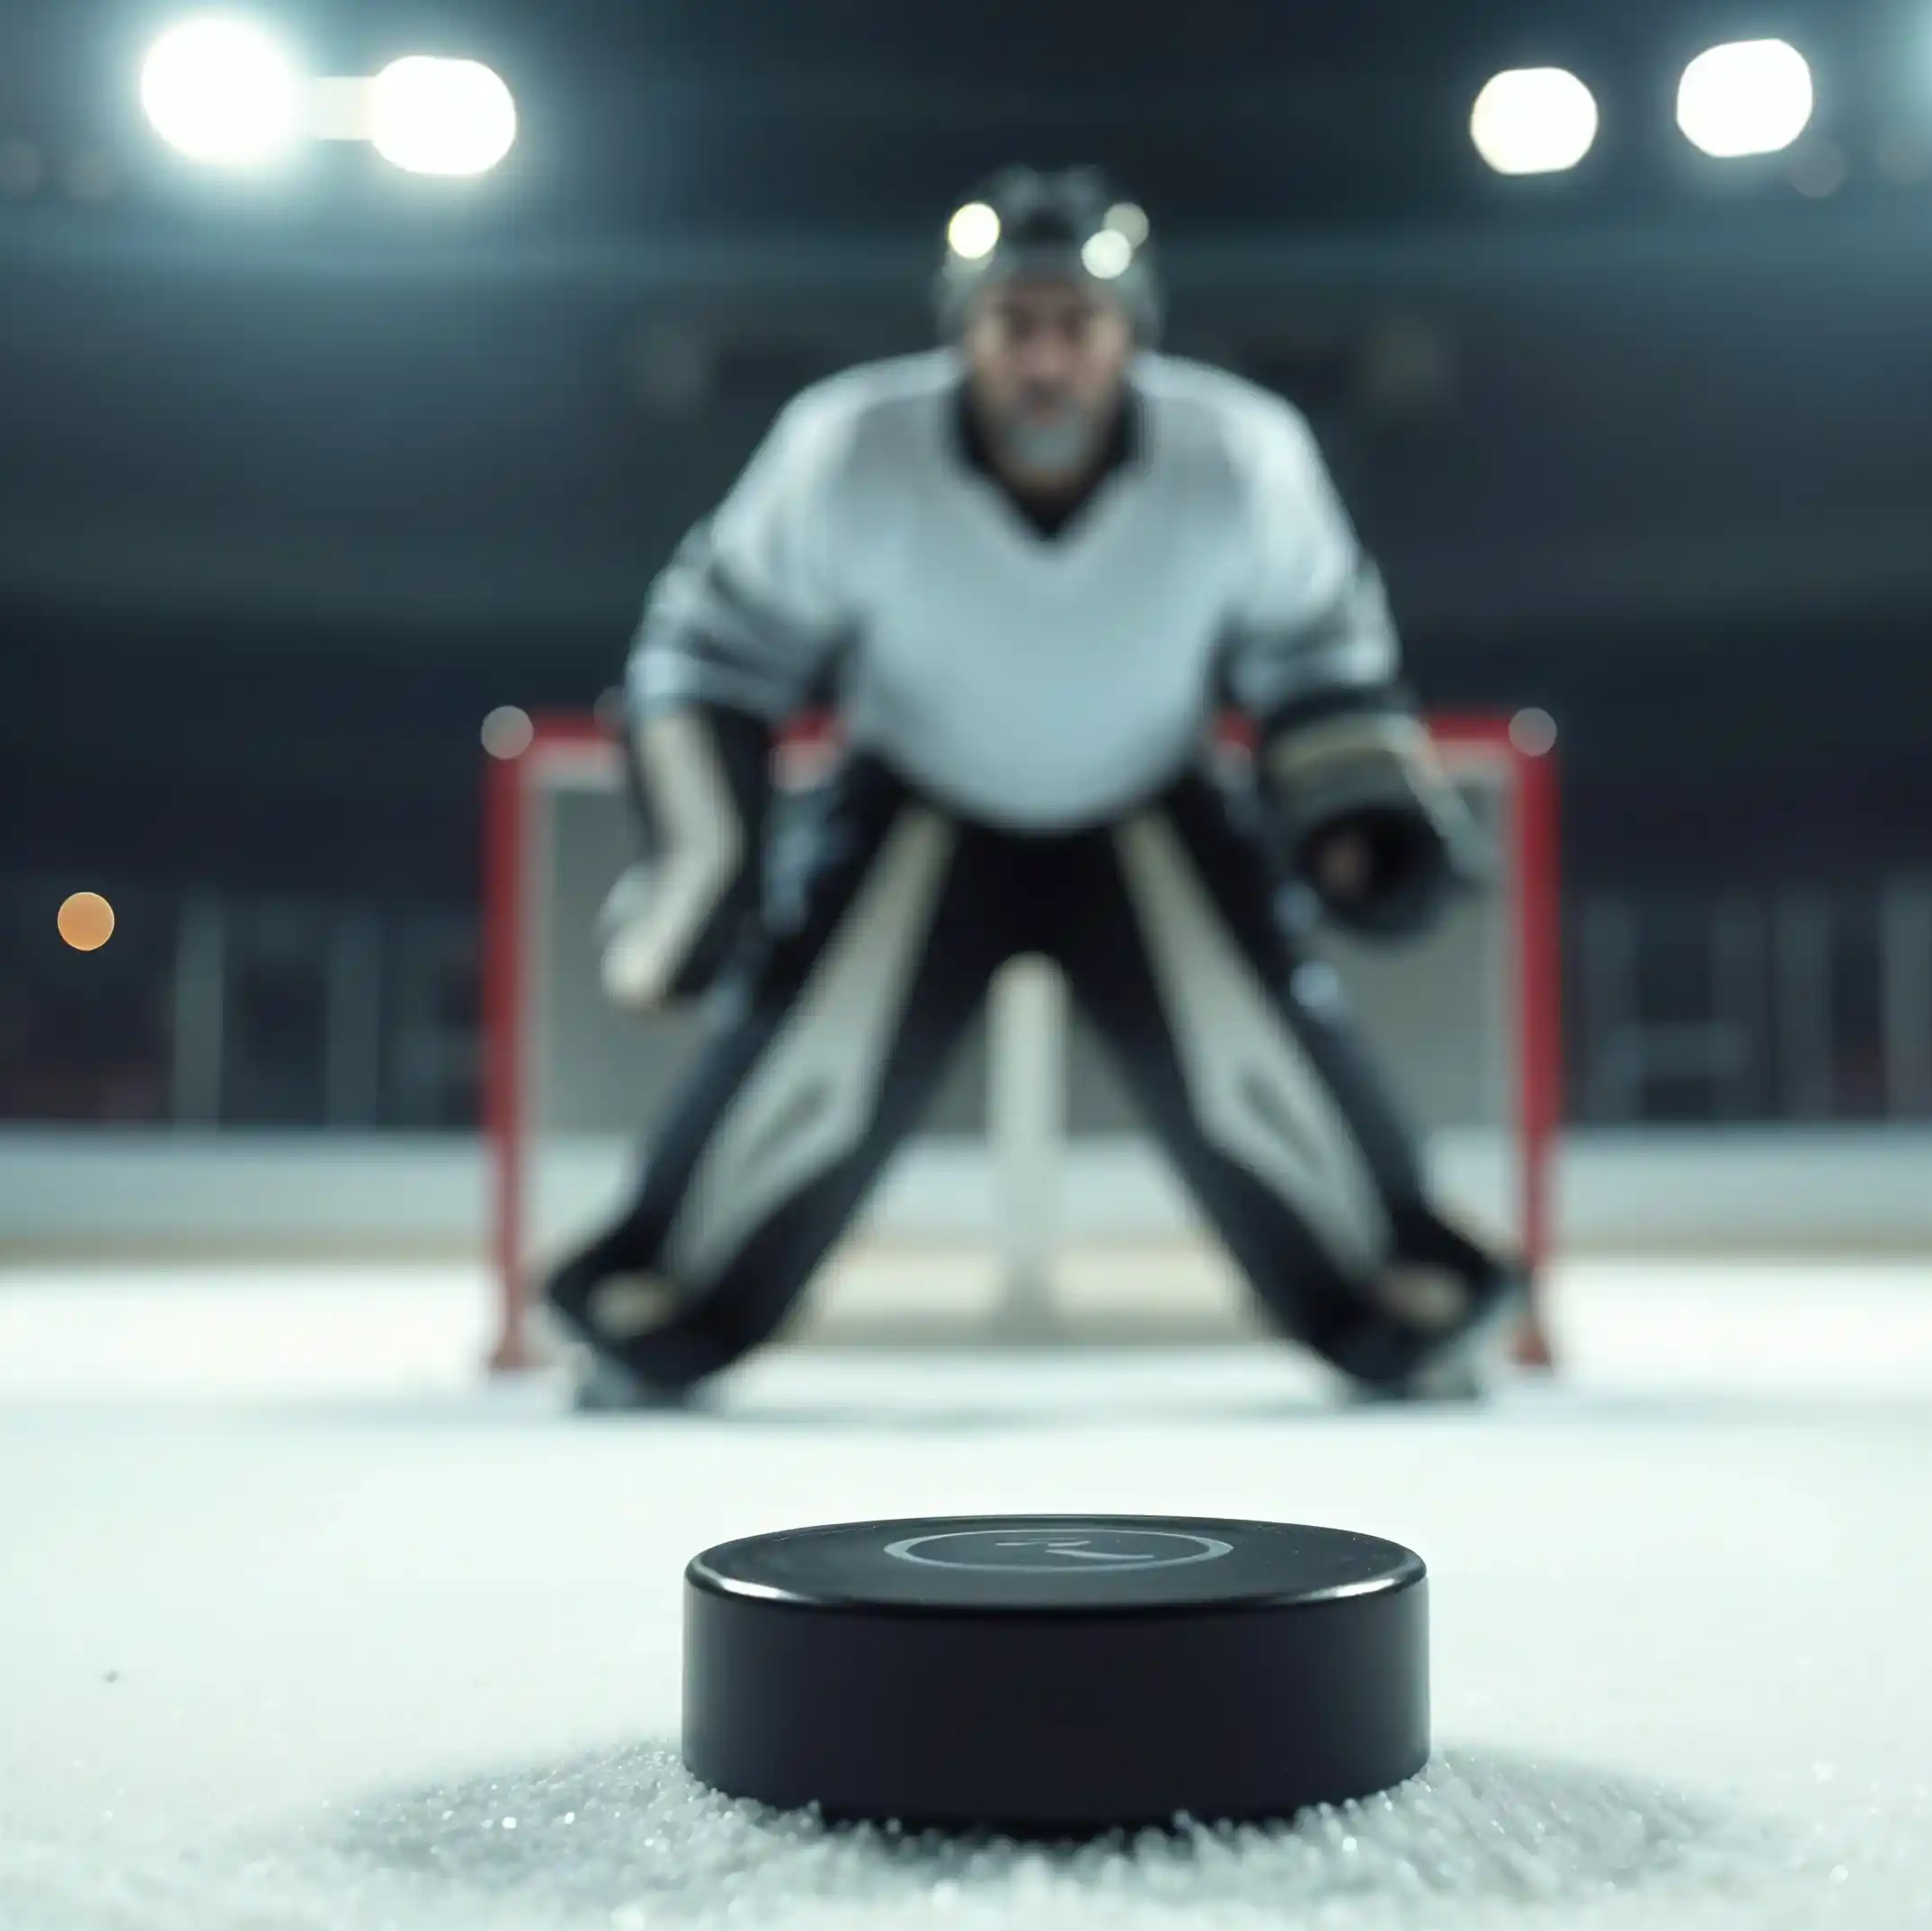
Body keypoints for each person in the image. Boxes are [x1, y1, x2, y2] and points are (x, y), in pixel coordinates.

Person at [544, 166, 1516, 1408]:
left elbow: (1320, 654)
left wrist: (1354, 819)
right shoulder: (850, 449)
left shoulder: (1240, 455)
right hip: (913, 802)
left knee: (1269, 1081)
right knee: (798, 1080)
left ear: (1131, 334)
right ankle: (659, 1305)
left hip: (1146, 800)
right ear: (966, 331)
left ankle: (1399, 1297)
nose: (1046, 359)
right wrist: (707, 857)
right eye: (1015, 325)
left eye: (1077, 325)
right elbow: (706, 654)